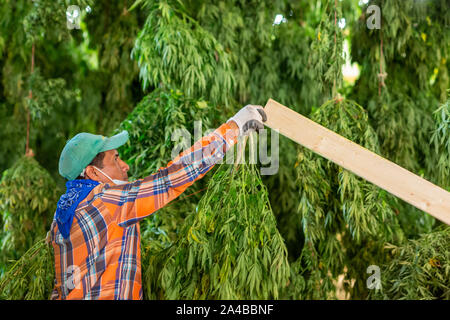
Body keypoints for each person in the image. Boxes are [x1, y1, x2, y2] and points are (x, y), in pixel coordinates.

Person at [48, 105, 267, 299]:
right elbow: (170, 179)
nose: (125, 166)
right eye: (115, 158)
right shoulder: (107, 202)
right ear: (92, 173)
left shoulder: (61, 218)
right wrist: (234, 127)